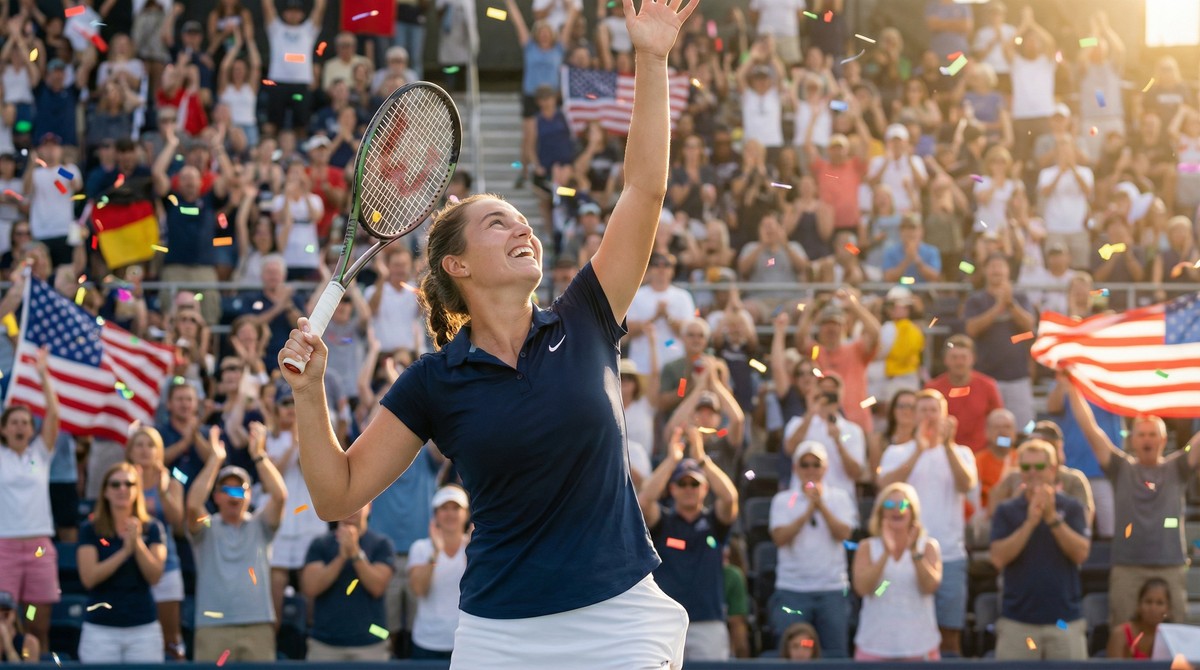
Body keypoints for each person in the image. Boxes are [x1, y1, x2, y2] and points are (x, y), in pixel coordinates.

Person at [279, 1, 696, 667]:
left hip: (621, 618)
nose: (522, 228)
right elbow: (336, 495)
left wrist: (651, 58)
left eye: (521, 219)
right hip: (501, 634)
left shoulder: (586, 315)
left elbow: (642, 191)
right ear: (458, 265)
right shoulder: (433, 382)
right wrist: (308, 396)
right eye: (498, 223)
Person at [1066, 376, 1200, 630]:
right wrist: (1072, 386)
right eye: (1142, 434)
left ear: (1163, 440)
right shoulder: (1121, 469)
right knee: (1122, 635)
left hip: (1170, 566)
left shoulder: (1178, 468)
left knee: (1177, 638)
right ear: (1132, 439)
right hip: (1128, 567)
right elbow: (1090, 429)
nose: (1147, 439)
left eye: (1152, 434)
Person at [878, 389, 977, 656]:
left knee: (949, 636)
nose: (929, 416)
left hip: (950, 555)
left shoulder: (962, 453)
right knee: (905, 633)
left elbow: (966, 484)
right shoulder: (897, 452)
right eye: (923, 410)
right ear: (913, 415)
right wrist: (918, 450)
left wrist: (947, 445)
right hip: (906, 555)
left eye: (934, 410)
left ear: (945, 415)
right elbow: (884, 486)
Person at [185, 424, 287, 662]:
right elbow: (192, 505)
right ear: (216, 496)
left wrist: (258, 455)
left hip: (257, 625)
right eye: (227, 489)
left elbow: (280, 495)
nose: (234, 495)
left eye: (241, 490)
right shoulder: (206, 526)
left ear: (250, 495)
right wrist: (215, 460)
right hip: (212, 628)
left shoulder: (260, 525)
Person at [639, 428, 739, 661]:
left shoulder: (714, 522)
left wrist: (701, 459)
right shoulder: (663, 523)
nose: (688, 489)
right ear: (672, 489)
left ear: (705, 488)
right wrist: (672, 459)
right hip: (667, 620)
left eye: (694, 484)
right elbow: (645, 500)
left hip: (708, 622)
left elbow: (730, 498)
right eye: (681, 484)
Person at [989, 440, 1091, 660]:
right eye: (1025, 467)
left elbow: (1081, 554)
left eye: (1039, 467)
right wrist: (1030, 523)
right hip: (1018, 622)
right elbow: (997, 559)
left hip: (1064, 622)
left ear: (1053, 469)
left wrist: (1052, 519)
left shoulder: (1072, 508)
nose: (1032, 473)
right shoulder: (1007, 511)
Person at [769, 441, 856, 658]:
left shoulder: (840, 497)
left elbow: (844, 534)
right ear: (795, 468)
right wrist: (808, 509)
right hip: (792, 589)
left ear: (825, 468)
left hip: (832, 588)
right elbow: (780, 538)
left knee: (835, 656)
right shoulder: (782, 500)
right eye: (804, 464)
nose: (810, 470)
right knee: (790, 657)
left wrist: (821, 505)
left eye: (815, 464)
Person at [76, 463, 168, 663]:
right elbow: (89, 578)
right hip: (100, 629)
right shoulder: (89, 529)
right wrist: (124, 552)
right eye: (115, 484)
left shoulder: (153, 528)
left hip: (143, 629)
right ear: (105, 492)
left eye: (129, 484)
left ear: (137, 490)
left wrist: (137, 545)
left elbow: (155, 576)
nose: (122, 489)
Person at [0, 346, 58, 654]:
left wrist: (43, 375)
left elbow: (54, 414)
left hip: (38, 550)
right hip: (4, 549)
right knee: (3, 624)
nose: (21, 426)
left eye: (25, 422)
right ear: (4, 429)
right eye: (14, 422)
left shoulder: (40, 454)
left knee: (36, 622)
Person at [852, 483, 942, 661]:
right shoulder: (867, 547)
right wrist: (886, 553)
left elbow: (929, 587)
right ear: (880, 511)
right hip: (875, 646)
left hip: (920, 646)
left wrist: (914, 553)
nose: (896, 510)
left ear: (912, 511)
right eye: (889, 505)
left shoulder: (928, 546)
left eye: (902, 505)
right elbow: (867, 590)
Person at [301, 502, 395, 662]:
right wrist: (341, 557)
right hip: (324, 645)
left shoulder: (382, 544)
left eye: (359, 504)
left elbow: (378, 587)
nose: (352, 511)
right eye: (348, 504)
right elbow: (310, 588)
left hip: (370, 645)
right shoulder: (320, 544)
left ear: (369, 507)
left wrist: (355, 553)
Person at [124, 425, 187, 660]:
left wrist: (162, 493)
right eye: (139, 444)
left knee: (170, 639)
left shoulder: (173, 483)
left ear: (159, 452)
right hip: (129, 568)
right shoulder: (120, 482)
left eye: (150, 445)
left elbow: (178, 524)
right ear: (130, 450)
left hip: (166, 567)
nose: (144, 450)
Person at [408, 485, 470, 660]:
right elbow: (419, 589)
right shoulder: (420, 548)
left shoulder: (474, 548)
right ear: (435, 514)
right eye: (444, 508)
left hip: (464, 641)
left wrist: (472, 552)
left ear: (466, 514)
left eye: (456, 508)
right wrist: (435, 553)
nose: (450, 514)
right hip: (428, 641)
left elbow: (477, 587)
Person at [1108, 577, 1171, 659]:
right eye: (1148, 602)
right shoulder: (1120, 635)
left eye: (1160, 603)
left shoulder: (1172, 638)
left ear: (1168, 609)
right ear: (1139, 606)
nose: (1153, 608)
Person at [0, 591, 38, 663]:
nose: (0, 616)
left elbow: (27, 668)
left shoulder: (29, 642)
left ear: (14, 614)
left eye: (5, 614)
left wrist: (8, 646)